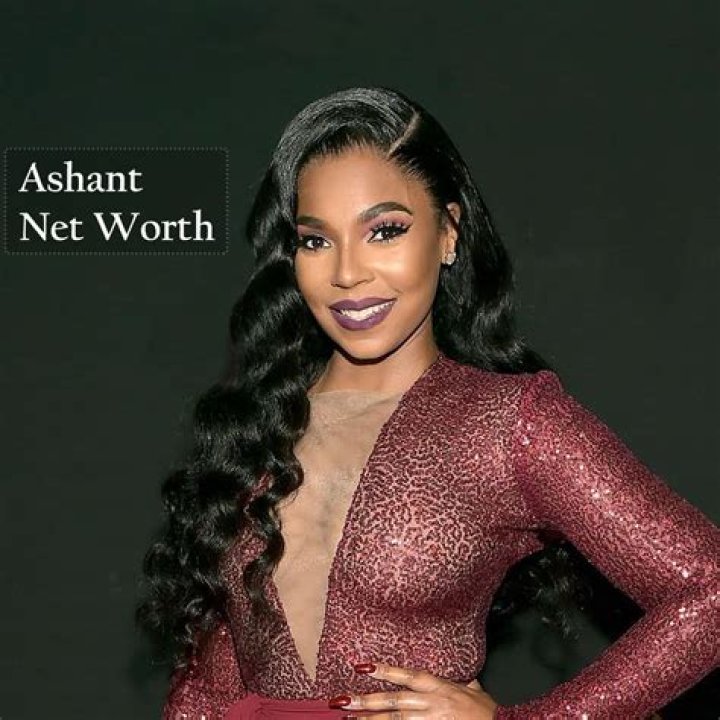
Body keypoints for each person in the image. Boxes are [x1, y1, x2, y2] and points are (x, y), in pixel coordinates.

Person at [135, 86, 719, 720]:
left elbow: (709, 590)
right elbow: (215, 676)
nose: (348, 273)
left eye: (384, 231)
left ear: (448, 232)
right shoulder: (256, 427)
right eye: (315, 241)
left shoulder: (506, 424)